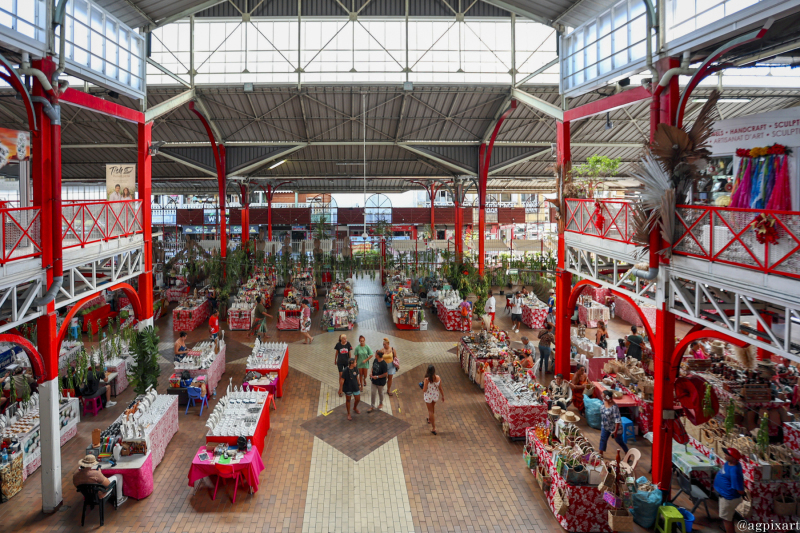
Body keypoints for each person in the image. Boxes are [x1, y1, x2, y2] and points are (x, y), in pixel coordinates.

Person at [714, 447, 745, 533]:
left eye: (727, 454)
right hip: (724, 495)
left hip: (728, 499)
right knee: (727, 517)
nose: (725, 455)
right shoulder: (729, 463)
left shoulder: (734, 471)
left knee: (726, 519)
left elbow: (740, 490)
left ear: (733, 458)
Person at [599, 389, 628, 457]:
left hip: (614, 428)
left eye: (604, 396)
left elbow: (617, 420)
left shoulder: (614, 407)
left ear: (609, 398)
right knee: (603, 439)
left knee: (619, 441)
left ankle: (627, 453)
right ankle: (600, 453)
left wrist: (615, 431)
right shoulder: (604, 401)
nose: (602, 397)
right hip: (605, 425)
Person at [423, 365, 444, 435]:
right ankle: (429, 419)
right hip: (435, 395)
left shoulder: (427, 379)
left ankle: (434, 428)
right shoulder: (438, 378)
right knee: (432, 408)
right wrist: (443, 396)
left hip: (428, 396)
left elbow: (424, 390)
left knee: (430, 411)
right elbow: (440, 388)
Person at [368, 347, 388, 412]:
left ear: (378, 356)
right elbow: (372, 367)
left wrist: (377, 377)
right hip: (374, 381)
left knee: (380, 393)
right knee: (373, 393)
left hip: (380, 382)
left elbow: (385, 374)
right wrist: (371, 372)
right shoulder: (375, 360)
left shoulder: (384, 364)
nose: (375, 355)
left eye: (376, 354)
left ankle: (381, 403)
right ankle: (372, 406)